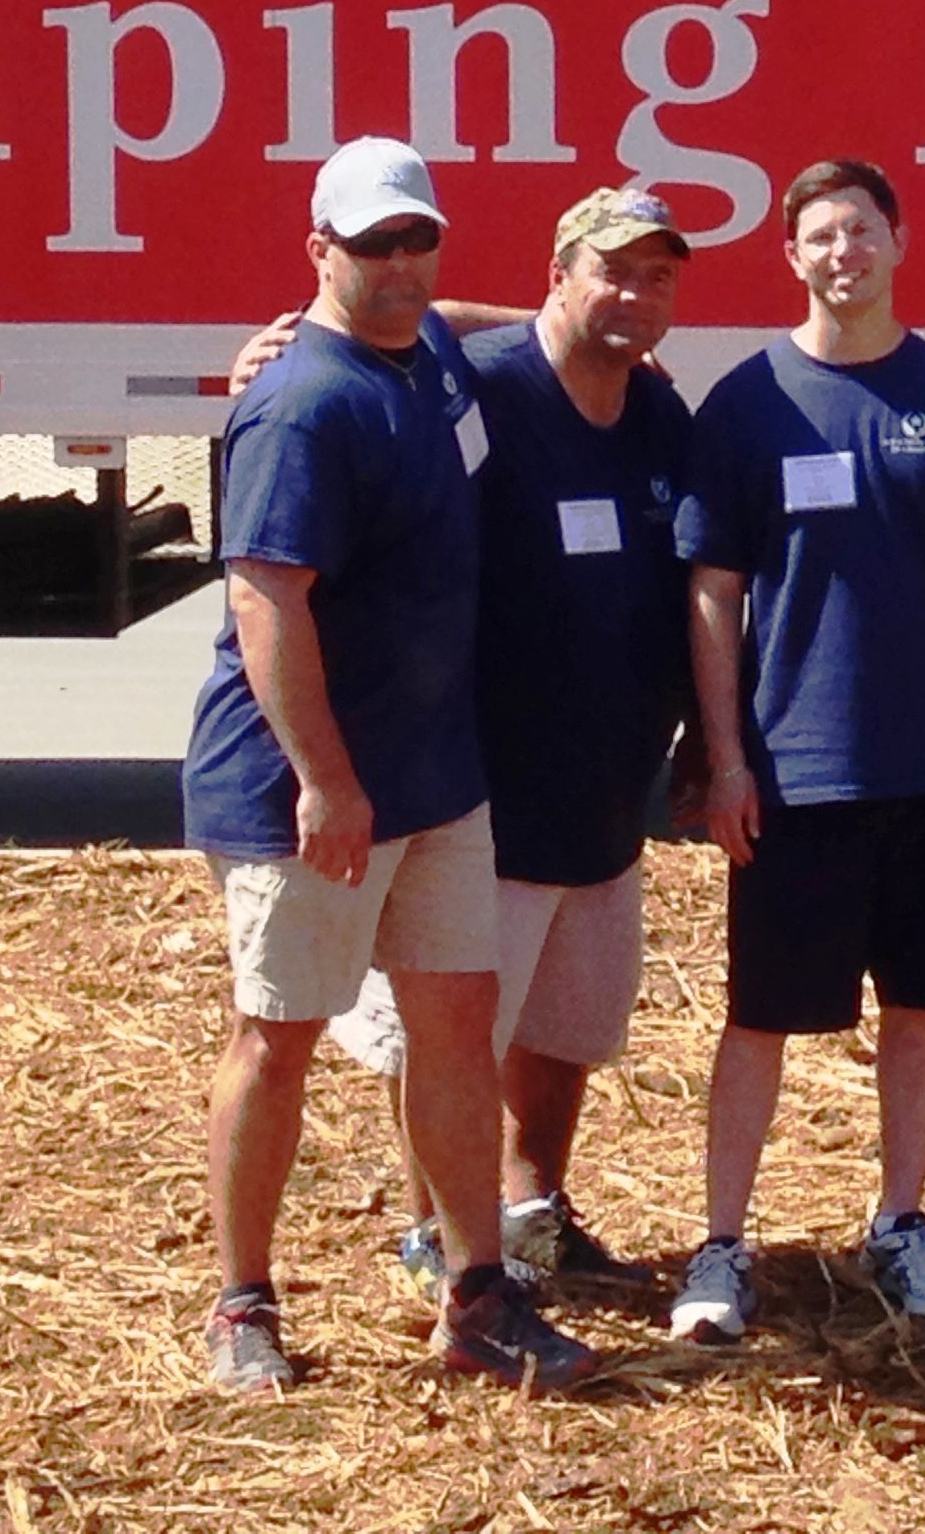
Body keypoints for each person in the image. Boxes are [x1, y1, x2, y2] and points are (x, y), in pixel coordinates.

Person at [183, 137, 597, 1394]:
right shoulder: (304, 404)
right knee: (281, 1033)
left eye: (420, 239)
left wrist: (555, 309)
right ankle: (242, 1304)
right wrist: (327, 781)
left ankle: (476, 1296)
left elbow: (470, 318)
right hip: (305, 790)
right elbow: (268, 604)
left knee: (455, 1031)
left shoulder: (432, 368)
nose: (405, 266)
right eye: (374, 247)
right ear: (321, 252)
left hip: (436, 777)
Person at [669, 159, 925, 1334]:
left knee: (922, 1010)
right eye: (821, 235)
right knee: (761, 1018)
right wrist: (725, 758)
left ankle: (901, 1225)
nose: (845, 253)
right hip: (796, 774)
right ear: (793, 255)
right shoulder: (748, 404)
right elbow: (713, 594)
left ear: (899, 242)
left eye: (863, 231)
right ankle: (723, 1248)